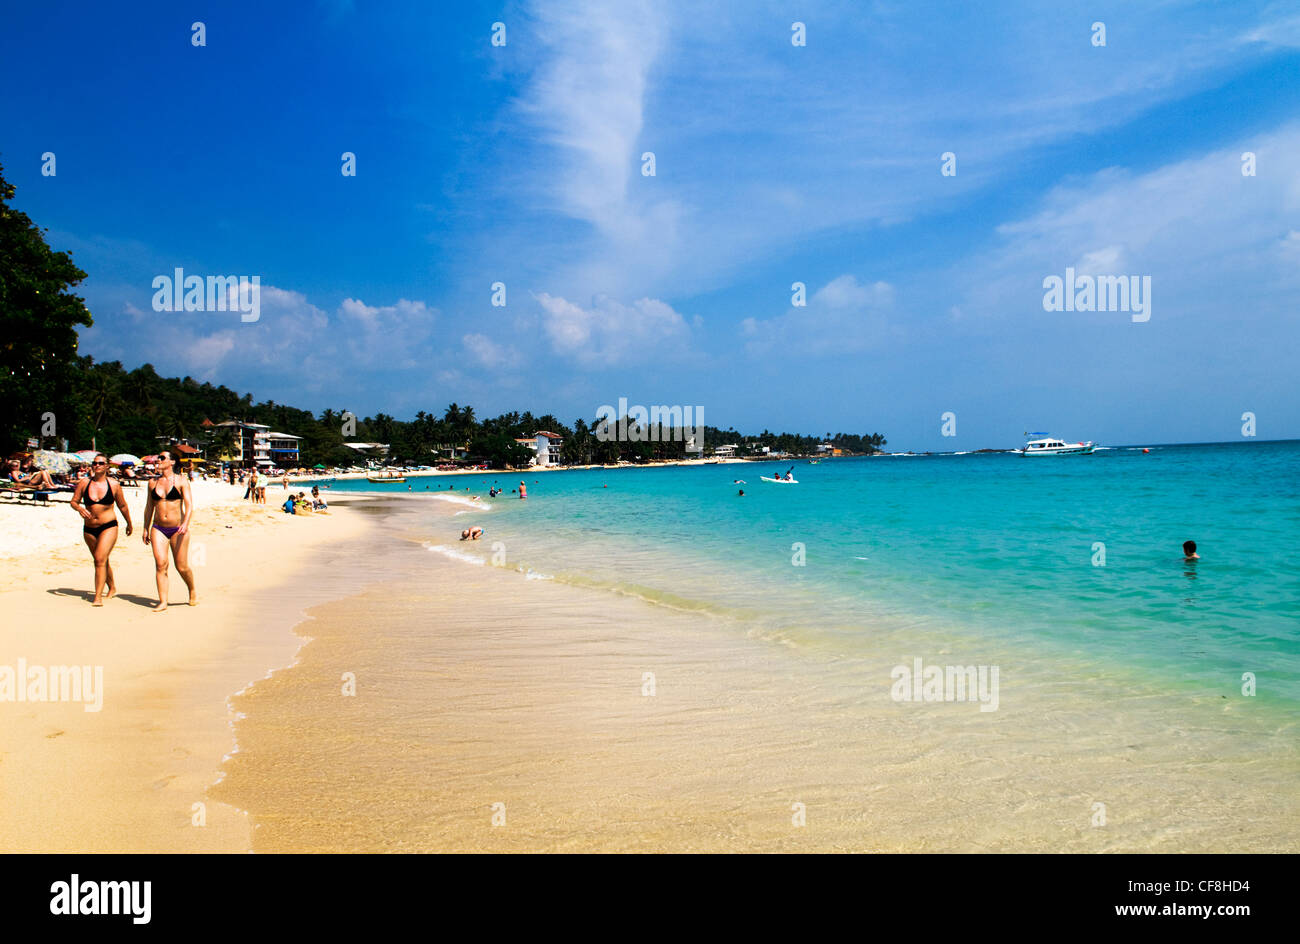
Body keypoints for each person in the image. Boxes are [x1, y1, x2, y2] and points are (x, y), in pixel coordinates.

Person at [70, 454, 134, 606]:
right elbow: (73, 501)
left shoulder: (114, 485)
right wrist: (79, 508)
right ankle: (112, 587)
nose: (96, 465)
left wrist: (129, 523)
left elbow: (122, 506)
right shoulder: (84, 483)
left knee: (99, 559)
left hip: (109, 526)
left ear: (106, 466)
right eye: (94, 463)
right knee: (101, 560)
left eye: (100, 463)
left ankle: (97, 597)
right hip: (89, 528)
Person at [142, 450, 197, 611]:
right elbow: (149, 507)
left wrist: (185, 523)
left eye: (162, 458)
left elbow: (189, 505)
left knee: (181, 566)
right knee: (161, 564)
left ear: (172, 462)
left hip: (178, 529)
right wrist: (146, 528)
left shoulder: (181, 481)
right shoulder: (152, 482)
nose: (158, 460)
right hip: (158, 528)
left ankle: (192, 589)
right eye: (158, 457)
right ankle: (163, 601)